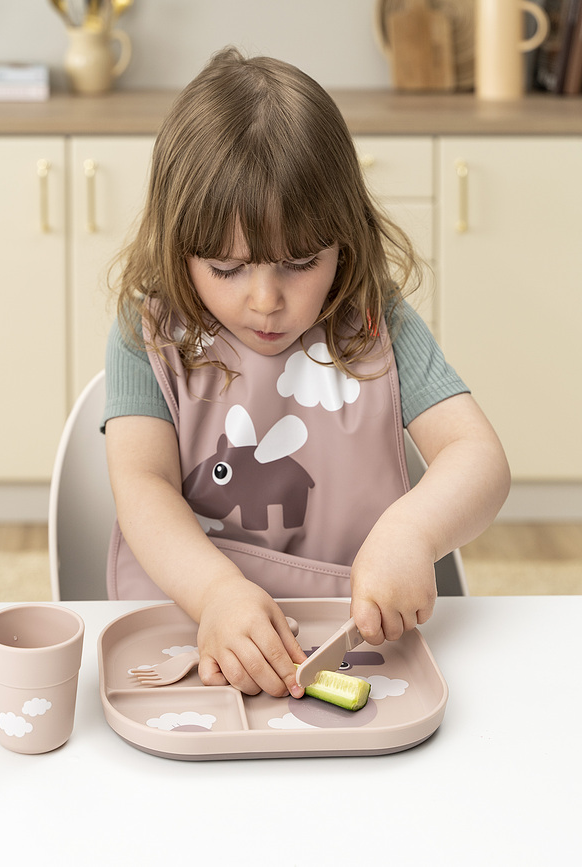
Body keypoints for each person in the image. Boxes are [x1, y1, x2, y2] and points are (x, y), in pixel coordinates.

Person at [103, 47, 510, 701]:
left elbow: (479, 457)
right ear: (179, 248)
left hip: (349, 642)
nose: (265, 300)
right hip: (190, 635)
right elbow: (142, 486)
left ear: (344, 239)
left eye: (299, 263)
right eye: (227, 268)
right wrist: (216, 591)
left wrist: (411, 531)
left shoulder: (376, 323)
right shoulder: (147, 332)